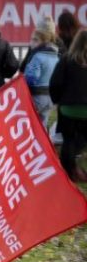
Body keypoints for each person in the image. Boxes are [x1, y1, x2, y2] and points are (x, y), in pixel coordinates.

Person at [50, 29, 87, 181]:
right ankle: (80, 168)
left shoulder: (66, 60)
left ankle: (69, 172)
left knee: (68, 140)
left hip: (68, 109)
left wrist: (57, 100)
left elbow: (55, 83)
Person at [20, 27, 61, 131]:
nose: (31, 42)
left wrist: (22, 80)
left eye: (35, 39)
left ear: (43, 41)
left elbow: (31, 78)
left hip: (36, 96)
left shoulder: (37, 56)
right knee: (43, 125)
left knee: (29, 125)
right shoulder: (56, 56)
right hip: (49, 97)